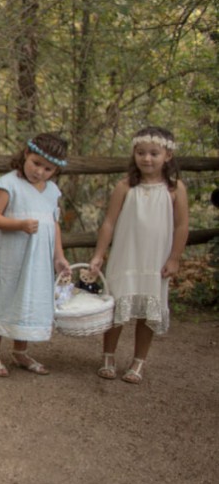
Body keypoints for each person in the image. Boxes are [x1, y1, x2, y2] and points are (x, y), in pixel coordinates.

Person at [88, 126, 189, 384]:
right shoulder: (125, 186)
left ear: (167, 155)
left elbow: (181, 225)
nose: (147, 158)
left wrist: (174, 258)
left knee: (148, 310)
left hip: (155, 259)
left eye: (154, 153)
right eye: (141, 153)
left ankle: (138, 361)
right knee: (116, 306)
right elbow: (109, 222)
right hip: (126, 255)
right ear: (134, 154)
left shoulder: (175, 189)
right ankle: (108, 356)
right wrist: (100, 254)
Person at [0, 133, 71, 377]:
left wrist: (59, 256)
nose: (40, 172)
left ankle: (20, 351)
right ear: (25, 155)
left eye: (48, 168)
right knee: (6, 297)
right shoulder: (7, 183)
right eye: (35, 163)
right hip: (13, 257)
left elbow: (54, 224)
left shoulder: (52, 191)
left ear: (55, 171)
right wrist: (19, 225)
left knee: (29, 300)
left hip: (39, 260)